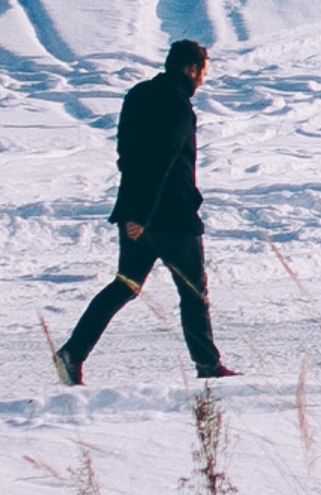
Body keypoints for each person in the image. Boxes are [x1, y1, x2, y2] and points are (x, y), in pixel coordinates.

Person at [52, 39, 236, 383]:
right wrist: (144, 215)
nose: (203, 81)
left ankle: (72, 353)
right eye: (203, 73)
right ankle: (208, 366)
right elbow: (163, 160)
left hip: (135, 212)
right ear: (192, 69)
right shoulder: (179, 106)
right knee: (193, 293)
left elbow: (126, 154)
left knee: (125, 285)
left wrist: (133, 212)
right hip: (171, 217)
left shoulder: (137, 95)